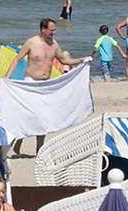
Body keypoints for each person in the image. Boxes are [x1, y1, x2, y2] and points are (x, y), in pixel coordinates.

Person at [6, 19, 93, 155]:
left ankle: (39, 149)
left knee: (43, 117)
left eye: (54, 30)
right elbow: (17, 59)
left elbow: (64, 60)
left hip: (45, 84)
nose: (54, 33)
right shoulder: (31, 42)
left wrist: (82, 60)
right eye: (51, 30)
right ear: (43, 29)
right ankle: (19, 141)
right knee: (27, 114)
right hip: (30, 82)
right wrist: (7, 77)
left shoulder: (54, 44)